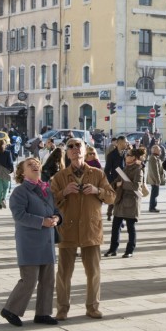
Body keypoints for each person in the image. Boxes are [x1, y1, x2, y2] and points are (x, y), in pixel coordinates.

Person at [50, 137, 116, 320]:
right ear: (67, 152)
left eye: (78, 145)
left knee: (93, 272)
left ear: (85, 150)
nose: (74, 148)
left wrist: (97, 191)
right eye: (70, 146)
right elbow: (50, 201)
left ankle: (93, 307)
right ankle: (62, 309)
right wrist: (64, 192)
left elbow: (112, 197)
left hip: (90, 229)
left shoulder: (97, 174)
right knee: (64, 273)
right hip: (67, 229)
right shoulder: (60, 177)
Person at [0, 157, 61, 328]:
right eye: (30, 164)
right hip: (29, 242)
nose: (35, 165)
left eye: (37, 163)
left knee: (48, 280)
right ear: (22, 172)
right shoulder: (20, 192)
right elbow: (19, 215)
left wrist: (57, 218)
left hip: (47, 240)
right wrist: (42, 221)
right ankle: (10, 310)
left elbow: (56, 210)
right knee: (29, 280)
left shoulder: (46, 189)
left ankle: (43, 313)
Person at [105, 146, 145, 258]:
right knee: (115, 227)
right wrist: (115, 184)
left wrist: (122, 184)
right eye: (126, 155)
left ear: (134, 158)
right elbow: (115, 182)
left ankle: (129, 250)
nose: (126, 156)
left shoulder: (138, 170)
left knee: (130, 228)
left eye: (128, 155)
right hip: (120, 201)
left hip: (131, 202)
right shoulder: (124, 169)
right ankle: (113, 249)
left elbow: (136, 186)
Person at [104, 135, 128, 219]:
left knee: (121, 200)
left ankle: (119, 217)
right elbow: (107, 170)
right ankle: (110, 213)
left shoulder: (126, 153)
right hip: (115, 181)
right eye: (125, 142)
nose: (127, 144)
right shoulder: (111, 155)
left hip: (124, 180)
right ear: (120, 143)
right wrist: (112, 182)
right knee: (114, 199)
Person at [0, 138, 14, 210]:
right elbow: (10, 163)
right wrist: (11, 170)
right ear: (5, 145)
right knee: (6, 187)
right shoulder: (7, 152)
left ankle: (0, 203)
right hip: (5, 172)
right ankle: (3, 199)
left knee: (0, 188)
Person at [146, 142, 166, 212]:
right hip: (154, 180)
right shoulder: (153, 158)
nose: (160, 151)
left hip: (155, 179)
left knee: (155, 193)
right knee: (154, 194)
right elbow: (155, 171)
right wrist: (158, 180)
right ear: (155, 150)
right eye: (159, 150)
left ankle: (153, 207)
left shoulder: (156, 157)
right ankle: (152, 207)